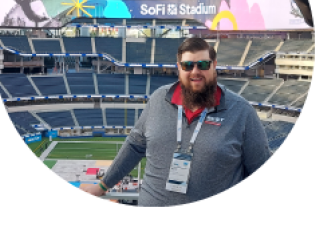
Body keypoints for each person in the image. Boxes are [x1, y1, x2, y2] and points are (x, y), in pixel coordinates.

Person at [78, 37, 272, 207]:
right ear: (179, 67)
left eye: (203, 65)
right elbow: (134, 146)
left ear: (214, 65)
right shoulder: (158, 100)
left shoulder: (241, 111)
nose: (195, 72)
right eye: (188, 65)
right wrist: (103, 186)